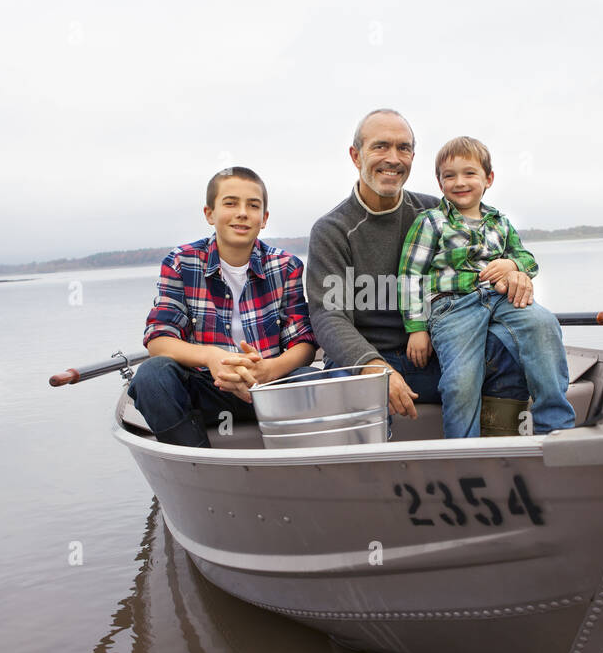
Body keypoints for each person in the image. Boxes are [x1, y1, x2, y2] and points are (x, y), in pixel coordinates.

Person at [307, 109, 531, 422]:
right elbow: (328, 316)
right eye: (380, 146)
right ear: (356, 156)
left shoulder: (437, 213)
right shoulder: (333, 230)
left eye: (404, 148)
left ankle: (498, 457)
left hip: (435, 352)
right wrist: (374, 366)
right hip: (365, 362)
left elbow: (485, 265)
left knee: (508, 356)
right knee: (353, 390)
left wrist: (513, 269)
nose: (393, 158)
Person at [399, 136, 575, 438]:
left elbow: (526, 259)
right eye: (449, 176)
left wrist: (513, 266)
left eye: (469, 173)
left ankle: (556, 429)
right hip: (452, 307)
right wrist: (417, 327)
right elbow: (410, 275)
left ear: (488, 179)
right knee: (461, 382)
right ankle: (463, 449)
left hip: (500, 297)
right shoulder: (431, 221)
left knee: (543, 323)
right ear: (440, 184)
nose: (459, 182)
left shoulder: (500, 223)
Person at [128, 167, 317, 447]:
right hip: (208, 390)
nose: (242, 213)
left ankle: (299, 465)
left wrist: (268, 370)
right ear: (210, 214)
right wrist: (212, 358)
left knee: (314, 381)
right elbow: (159, 339)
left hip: (269, 389)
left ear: (264, 219)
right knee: (152, 375)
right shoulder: (182, 262)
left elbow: (304, 343)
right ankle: (196, 465)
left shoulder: (286, 266)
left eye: (253, 206)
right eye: (230, 203)